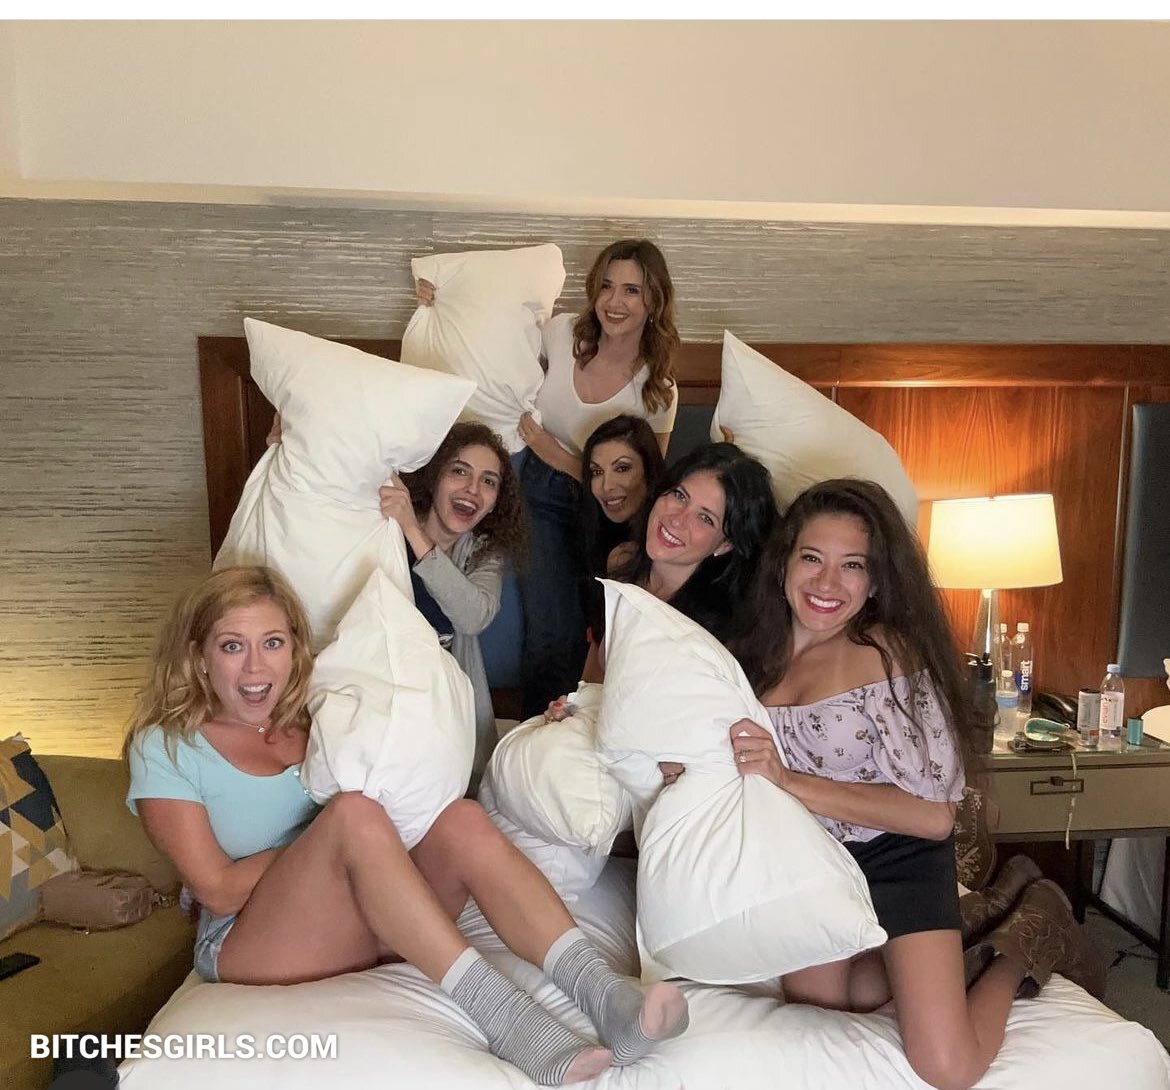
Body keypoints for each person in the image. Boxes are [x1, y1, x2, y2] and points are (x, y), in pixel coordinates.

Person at [123, 566, 689, 1088]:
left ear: (295, 649)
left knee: (462, 820)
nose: (255, 668)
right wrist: (336, 843)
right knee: (354, 813)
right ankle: (508, 1020)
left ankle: (607, 997)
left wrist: (553, 726)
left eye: (272, 643)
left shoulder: (321, 716)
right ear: (200, 658)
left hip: (370, 918)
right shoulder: (167, 745)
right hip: (250, 943)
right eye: (232, 646)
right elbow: (218, 890)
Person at [722, 479, 1098, 1090]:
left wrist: (788, 780)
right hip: (810, 864)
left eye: (853, 566)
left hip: (899, 856)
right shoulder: (751, 656)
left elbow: (933, 817)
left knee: (947, 1067)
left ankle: (1018, 947)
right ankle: (957, 944)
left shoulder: (887, 652)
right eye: (812, 558)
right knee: (833, 1014)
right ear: (783, 562)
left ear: (875, 582)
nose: (827, 583)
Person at [420, 239, 681, 718]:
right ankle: (541, 733)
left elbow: (647, 481)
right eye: (606, 287)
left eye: (631, 290)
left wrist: (559, 454)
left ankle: (594, 724)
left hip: (610, 510)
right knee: (550, 628)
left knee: (608, 626)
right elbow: (498, 342)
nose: (614, 302)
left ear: (654, 300)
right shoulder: (563, 334)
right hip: (542, 492)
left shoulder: (658, 389)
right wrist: (448, 305)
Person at [379, 421, 527, 782]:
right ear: (434, 478)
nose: (472, 489)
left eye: (488, 481)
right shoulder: (384, 526)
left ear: (495, 502)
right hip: (382, 689)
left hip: (441, 706)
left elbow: (473, 617)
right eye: (459, 471)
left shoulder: (482, 551)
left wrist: (413, 531)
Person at [580, 413, 666, 578]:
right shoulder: (590, 529)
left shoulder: (667, 541)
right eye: (597, 472)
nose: (606, 486)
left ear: (649, 470)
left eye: (622, 468)